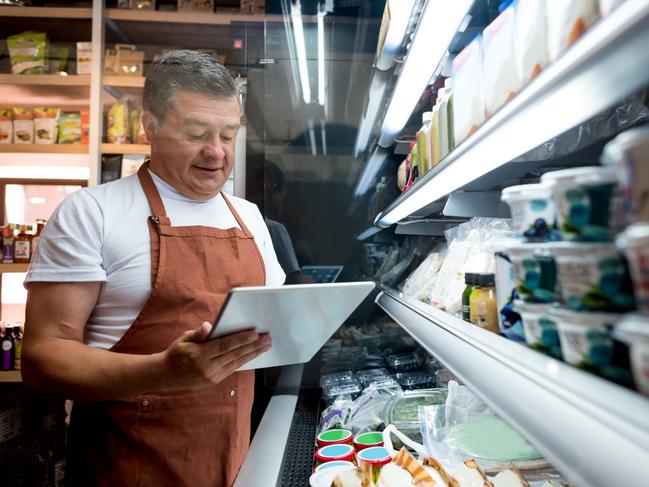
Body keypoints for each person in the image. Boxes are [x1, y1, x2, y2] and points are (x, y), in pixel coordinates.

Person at [21, 50, 286, 487]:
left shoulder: (249, 217)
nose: (216, 152)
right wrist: (164, 372)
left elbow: (273, 328)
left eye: (228, 134)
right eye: (196, 133)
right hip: (125, 467)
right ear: (150, 126)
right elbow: (42, 358)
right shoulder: (91, 213)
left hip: (232, 460)